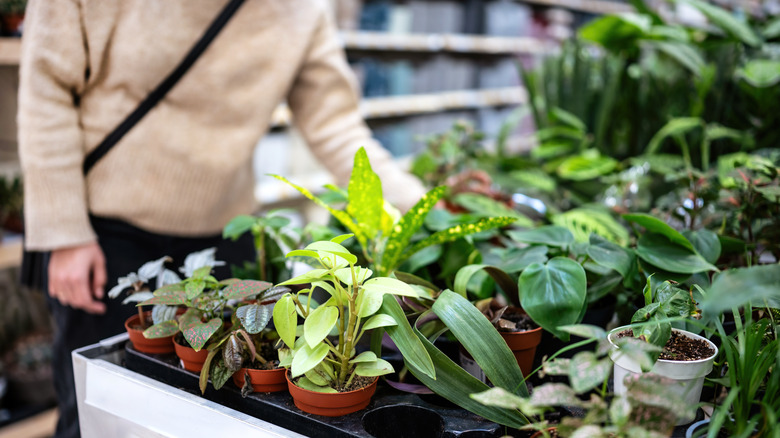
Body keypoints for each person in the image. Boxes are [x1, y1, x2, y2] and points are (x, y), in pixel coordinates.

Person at [17, 1, 425, 437]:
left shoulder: (299, 10)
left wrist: (421, 212)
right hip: (104, 238)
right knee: (97, 410)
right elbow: (46, 91)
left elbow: (337, 126)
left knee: (209, 415)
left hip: (224, 238)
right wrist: (63, 232)